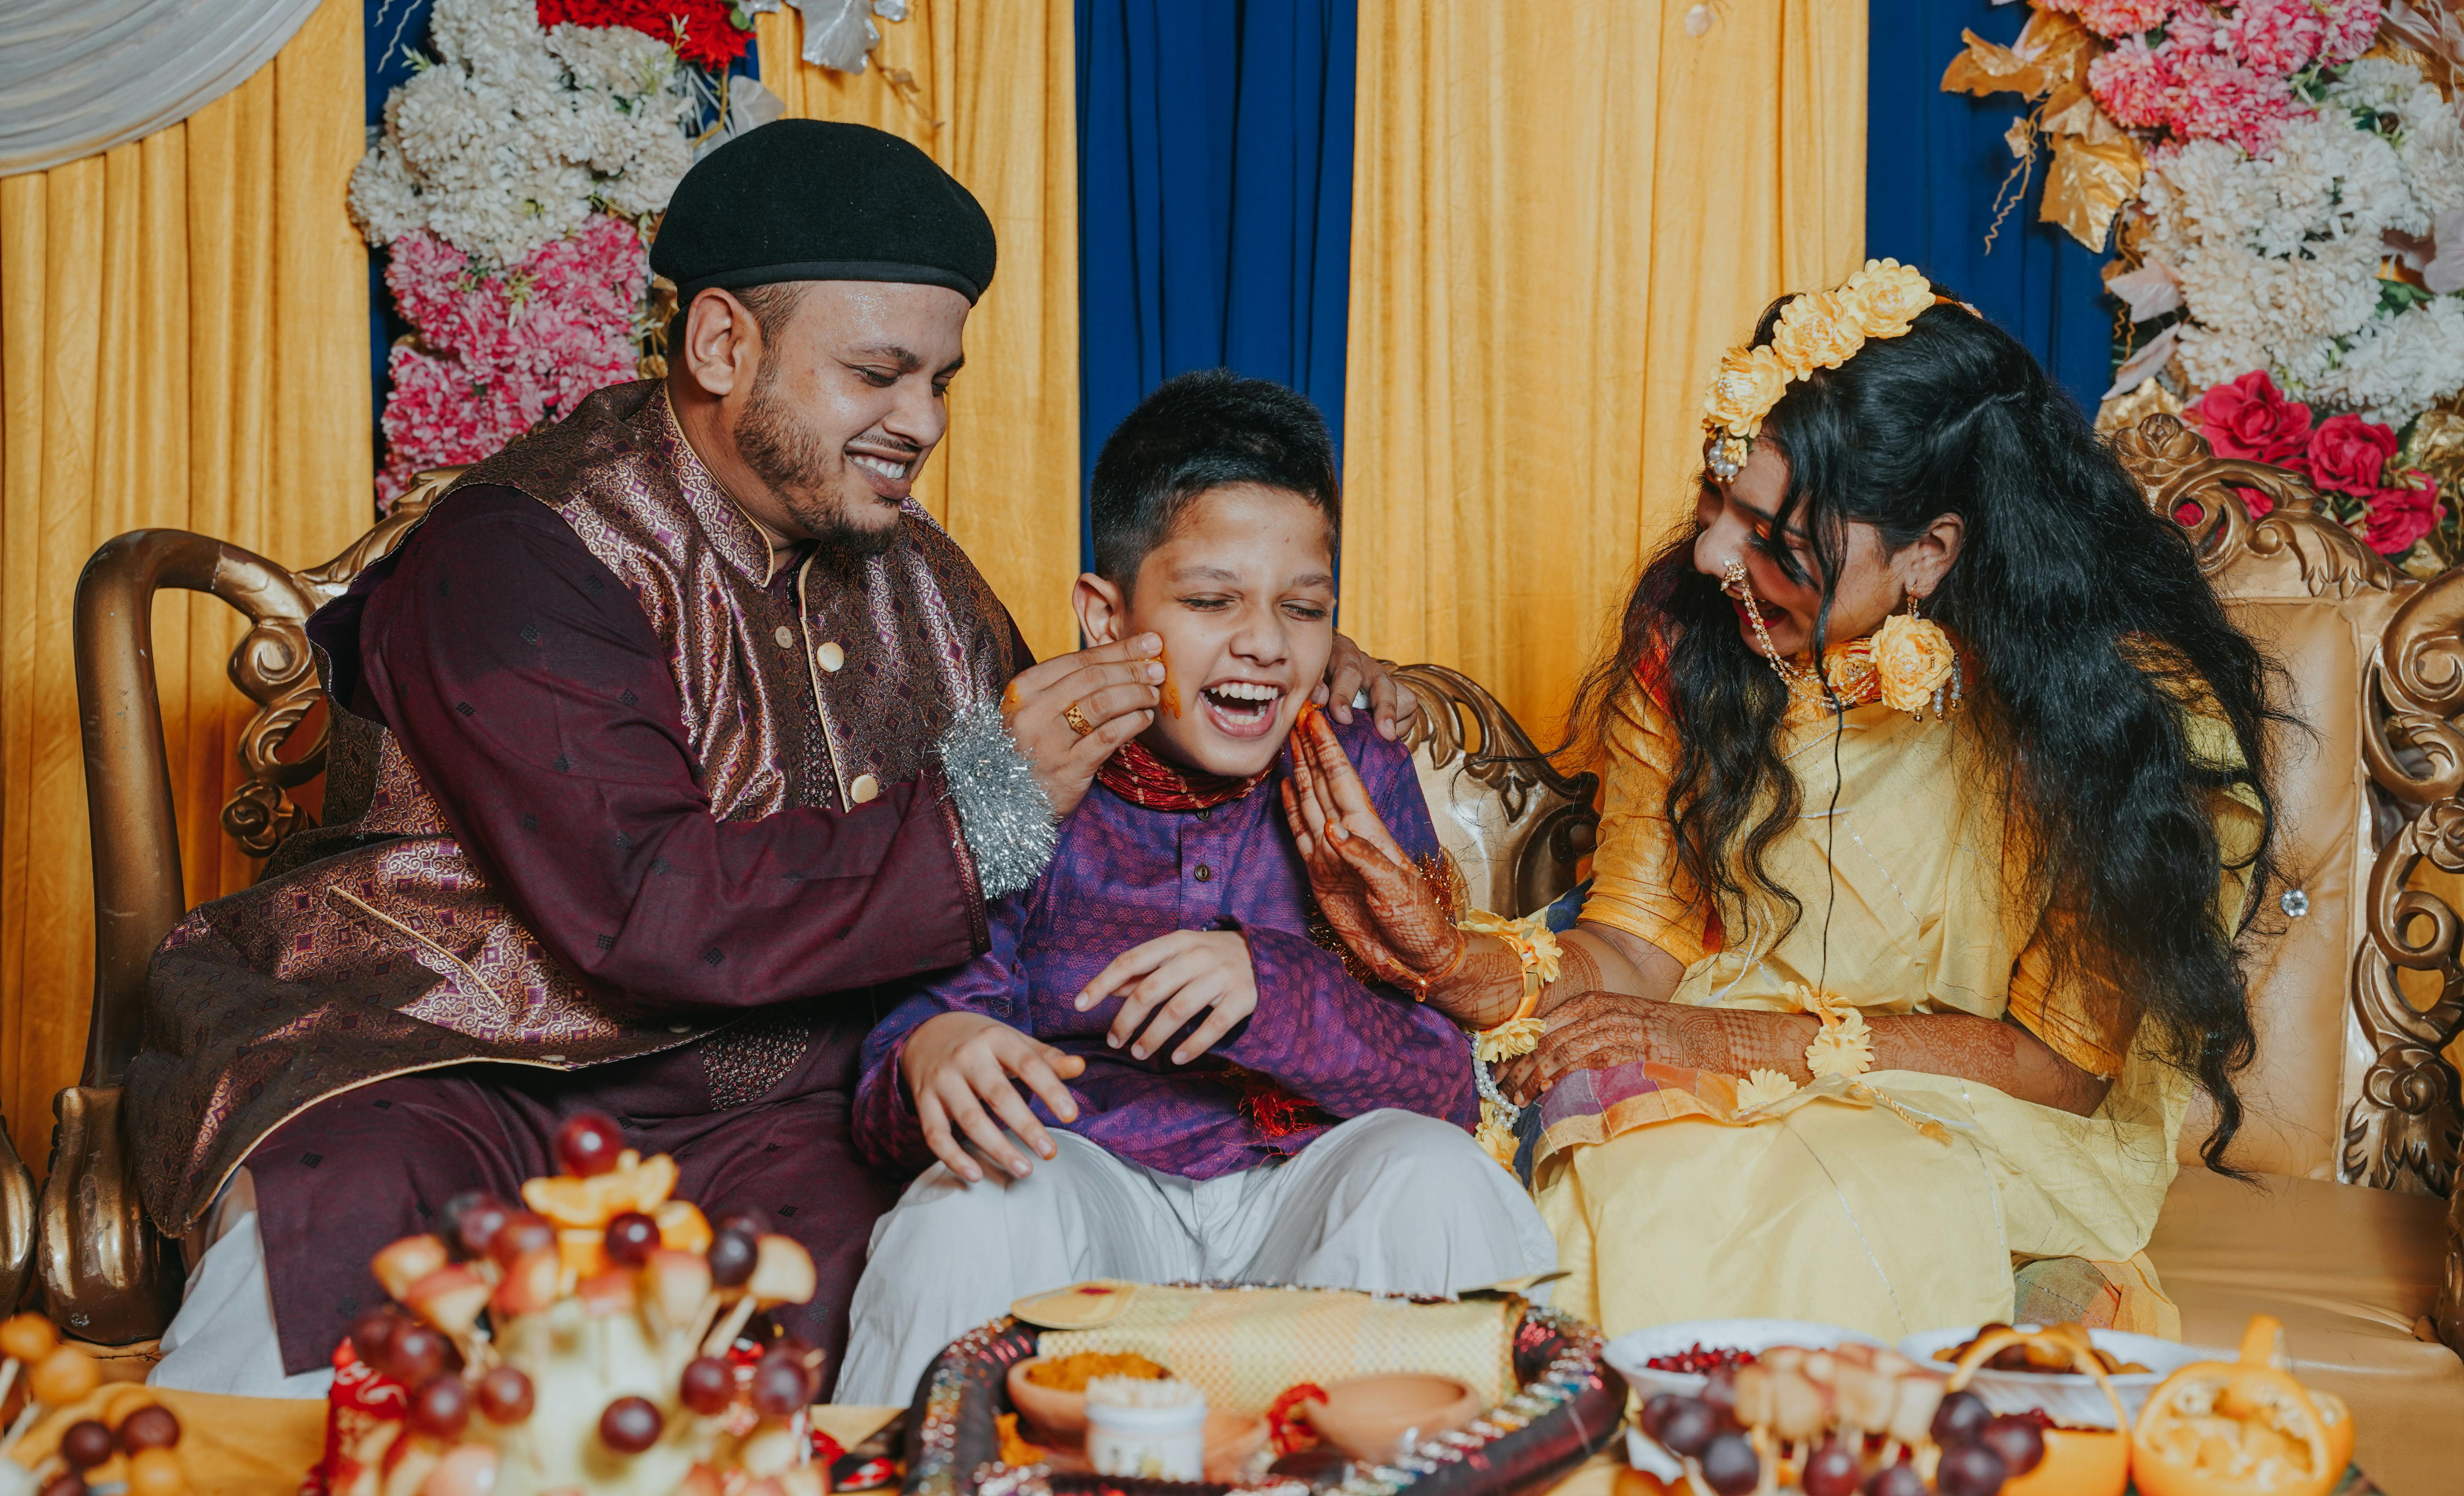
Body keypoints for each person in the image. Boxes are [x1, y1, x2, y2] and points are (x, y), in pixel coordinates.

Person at [135, 122, 1412, 1398]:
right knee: (344, 1244)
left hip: (772, 1112)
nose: (921, 423)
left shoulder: (926, 582)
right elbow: (643, 899)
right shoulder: (525, 553)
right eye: (878, 374)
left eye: (941, 383)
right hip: (444, 1063)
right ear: (721, 344)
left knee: (933, 1259)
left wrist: (1298, 659)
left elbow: (1094, 782)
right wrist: (981, 807)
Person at [1283, 261, 2278, 1343]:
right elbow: (1635, 947)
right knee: (1624, 1186)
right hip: (1708, 1060)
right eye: (1719, 500)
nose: (1713, 553)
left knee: (1840, 1206)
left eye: (1774, 537)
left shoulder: (2126, 720)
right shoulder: (1700, 646)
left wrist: (1733, 1043)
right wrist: (1448, 960)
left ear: (1929, 553)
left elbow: (2059, 1068)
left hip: (1992, 1119)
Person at [833, 372, 1554, 1406]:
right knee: (965, 1209)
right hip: (1087, 1183)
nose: (1264, 641)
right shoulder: (1019, 760)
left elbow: (1438, 1085)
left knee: (1436, 1173)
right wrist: (930, 1052)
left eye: (1303, 607)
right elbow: (897, 1075)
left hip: (1303, 1196)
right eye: (1213, 601)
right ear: (1105, 613)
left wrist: (1278, 986)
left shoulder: (1355, 768)